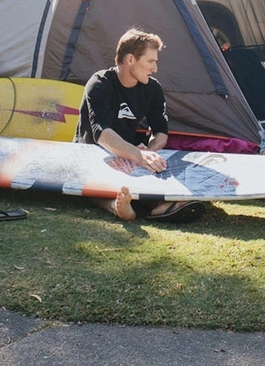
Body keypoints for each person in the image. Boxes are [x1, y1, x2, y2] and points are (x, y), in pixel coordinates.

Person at [76, 28, 204, 223]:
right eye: (150, 62)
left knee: (152, 170)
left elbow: (161, 133)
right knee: (99, 181)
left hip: (128, 157)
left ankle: (158, 208)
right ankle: (118, 207)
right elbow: (102, 134)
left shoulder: (152, 88)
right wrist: (138, 155)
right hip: (91, 154)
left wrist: (149, 151)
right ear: (130, 60)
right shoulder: (99, 83)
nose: (155, 69)